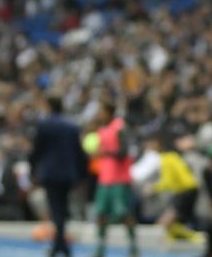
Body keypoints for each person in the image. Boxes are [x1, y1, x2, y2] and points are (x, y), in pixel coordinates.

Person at [29, 95, 88, 257]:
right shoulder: (72, 126)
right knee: (62, 207)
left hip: (51, 172)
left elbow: (37, 150)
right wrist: (82, 174)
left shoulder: (45, 125)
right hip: (68, 173)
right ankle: (60, 244)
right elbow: (79, 152)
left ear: (48, 106)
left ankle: (59, 245)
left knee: (56, 208)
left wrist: (32, 169)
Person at [91, 102, 139, 257]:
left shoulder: (120, 128)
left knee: (123, 212)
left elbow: (124, 151)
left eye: (101, 111)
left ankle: (133, 245)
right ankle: (101, 246)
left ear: (109, 111)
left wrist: (106, 152)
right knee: (100, 213)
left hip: (120, 178)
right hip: (105, 178)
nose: (99, 114)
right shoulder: (101, 130)